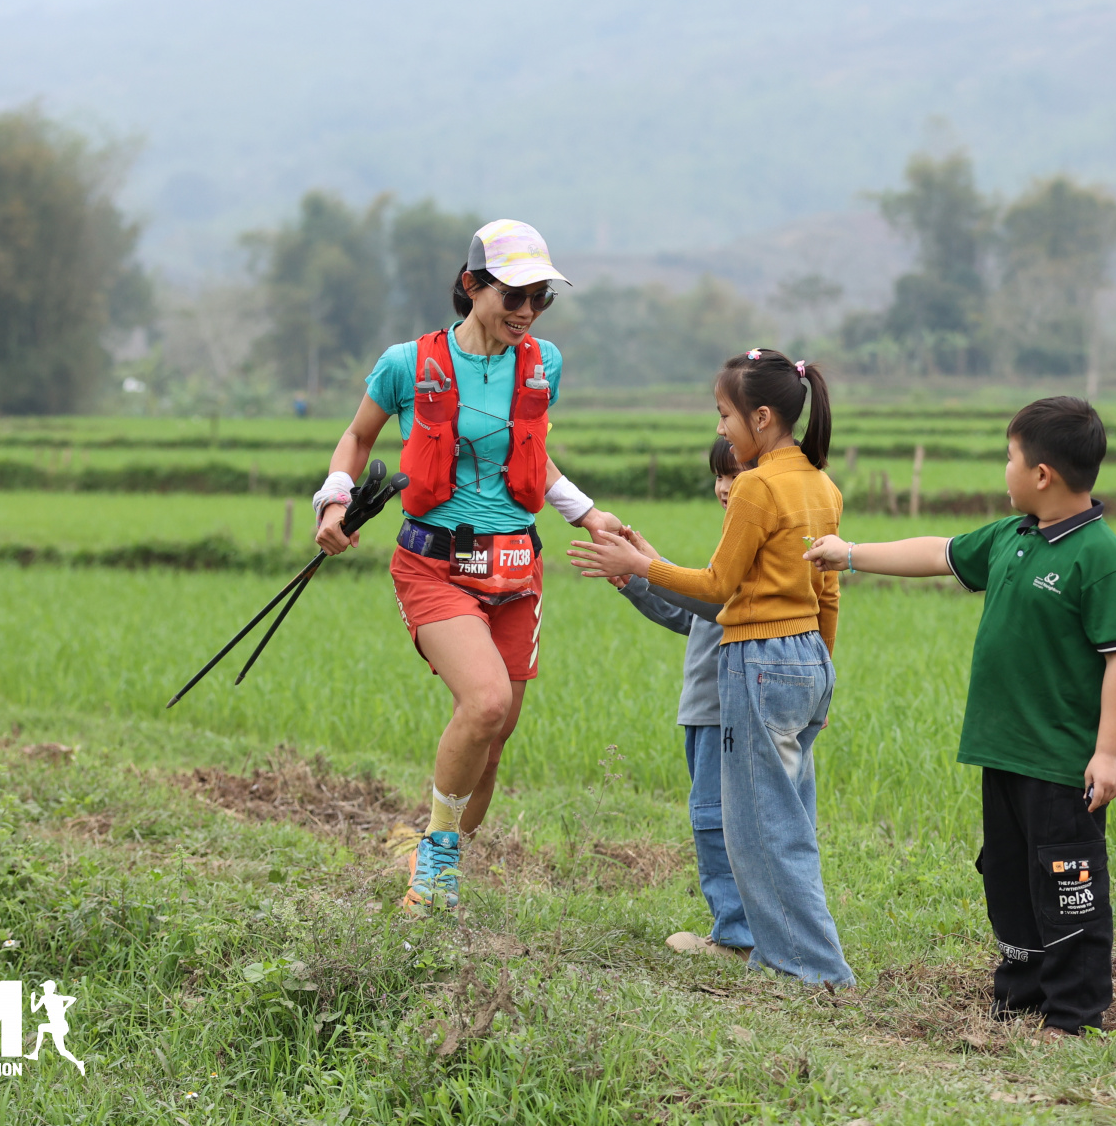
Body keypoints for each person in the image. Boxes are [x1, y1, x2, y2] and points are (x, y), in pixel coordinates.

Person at [804, 396, 1116, 1037]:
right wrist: (850, 553)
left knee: (1067, 883)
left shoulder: (1101, 558)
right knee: (1009, 877)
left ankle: (1074, 1013)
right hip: (1003, 751)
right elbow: (938, 553)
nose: (1005, 469)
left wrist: (1107, 753)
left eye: (1009, 458)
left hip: (1060, 764)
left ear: (1041, 473)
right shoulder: (1013, 537)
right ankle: (1019, 995)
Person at [312, 219, 621, 912]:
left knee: (496, 734)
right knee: (484, 702)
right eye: (514, 295)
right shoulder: (406, 364)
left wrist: (587, 512)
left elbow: (530, 457)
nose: (527, 311)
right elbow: (358, 437)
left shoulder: (544, 363)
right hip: (435, 565)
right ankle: (437, 867)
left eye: (540, 298)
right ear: (471, 285)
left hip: (516, 568)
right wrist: (333, 502)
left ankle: (432, 845)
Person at [568, 348, 851, 987]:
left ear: (761, 417)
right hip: (806, 656)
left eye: (724, 414)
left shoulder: (758, 485)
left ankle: (812, 970)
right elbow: (827, 593)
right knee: (786, 819)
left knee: (758, 826)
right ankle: (788, 956)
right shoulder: (822, 485)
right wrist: (822, 679)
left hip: (760, 659)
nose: (721, 427)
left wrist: (640, 565)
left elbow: (720, 586)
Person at [611, 438, 754, 960]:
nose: (724, 487)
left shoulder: (750, 542)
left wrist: (648, 566)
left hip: (721, 708)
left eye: (735, 475)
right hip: (705, 705)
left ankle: (737, 938)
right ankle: (744, 931)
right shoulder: (733, 540)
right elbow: (693, 615)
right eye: (719, 476)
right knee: (721, 817)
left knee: (715, 819)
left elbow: (715, 602)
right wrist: (637, 577)